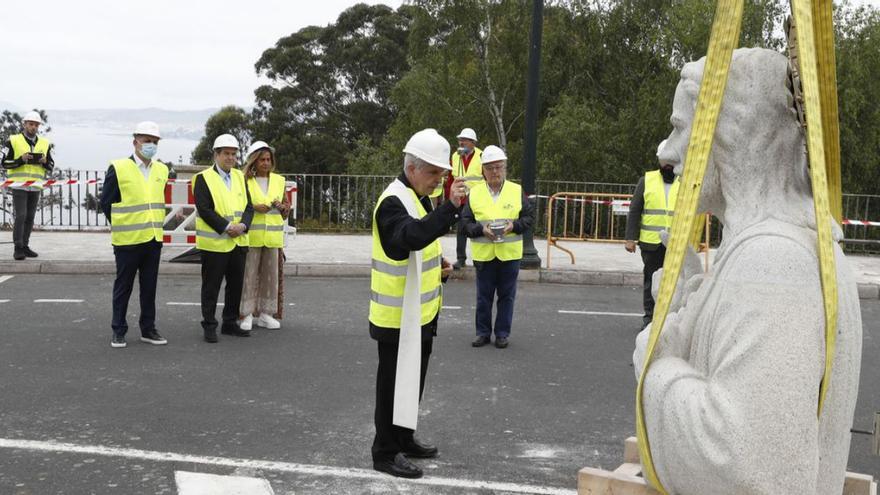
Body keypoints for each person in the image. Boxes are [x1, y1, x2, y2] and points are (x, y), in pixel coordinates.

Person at [632, 48, 861, 495]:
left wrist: (655, 365)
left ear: (723, 134)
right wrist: (691, 313)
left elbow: (743, 463)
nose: (667, 149)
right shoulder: (789, 247)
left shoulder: (772, 261)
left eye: (680, 128)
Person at [370, 128, 467, 479]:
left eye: (442, 175)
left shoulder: (417, 196)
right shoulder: (393, 200)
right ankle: (384, 451)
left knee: (413, 380)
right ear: (412, 168)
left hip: (419, 313)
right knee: (393, 385)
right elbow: (406, 238)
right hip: (396, 315)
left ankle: (405, 438)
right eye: (433, 174)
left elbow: (422, 239)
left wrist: (437, 265)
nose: (439, 182)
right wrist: (450, 210)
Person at [99, 121, 169, 348]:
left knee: (149, 288)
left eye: (154, 141)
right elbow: (106, 202)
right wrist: (120, 224)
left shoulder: (161, 170)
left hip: (152, 239)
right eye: (146, 140)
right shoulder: (119, 168)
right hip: (127, 240)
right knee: (124, 287)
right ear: (135, 142)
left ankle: (148, 329)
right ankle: (118, 330)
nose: (150, 145)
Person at [460, 145, 533, 349]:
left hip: (509, 254)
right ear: (483, 170)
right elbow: (465, 223)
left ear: (505, 168)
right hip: (484, 254)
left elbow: (529, 218)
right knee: (483, 296)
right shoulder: (474, 194)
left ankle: (502, 333)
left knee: (506, 296)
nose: (495, 172)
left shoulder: (516, 191)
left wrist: (514, 226)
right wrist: (481, 230)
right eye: (490, 168)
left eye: (499, 167)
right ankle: (482, 333)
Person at [193, 134, 254, 343]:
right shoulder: (203, 178)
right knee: (211, 286)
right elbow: (204, 209)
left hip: (238, 241)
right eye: (226, 154)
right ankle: (209, 325)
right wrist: (227, 227)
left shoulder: (239, 176)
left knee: (235, 286)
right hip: (215, 243)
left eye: (234, 154)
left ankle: (229, 323)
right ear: (216, 155)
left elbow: (248, 206)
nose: (230, 158)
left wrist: (244, 225)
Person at [624, 140, 678, 328]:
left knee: (673, 283)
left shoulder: (684, 181)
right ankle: (650, 319)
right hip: (651, 244)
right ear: (659, 161)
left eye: (671, 160)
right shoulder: (646, 180)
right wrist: (630, 238)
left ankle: (668, 319)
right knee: (651, 282)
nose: (668, 164)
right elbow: (635, 210)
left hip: (675, 244)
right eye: (665, 160)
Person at [239, 141, 290, 331]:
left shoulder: (279, 181)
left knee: (270, 278)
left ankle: (266, 314)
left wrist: (281, 206)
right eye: (262, 160)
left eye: (268, 159)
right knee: (249, 276)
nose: (266, 163)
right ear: (254, 161)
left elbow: (286, 211)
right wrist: (254, 207)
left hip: (273, 238)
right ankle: (247, 314)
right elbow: (240, 206)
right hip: (251, 237)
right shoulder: (244, 181)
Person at [1, 111, 54, 260]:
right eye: (31, 124)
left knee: (30, 217)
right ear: (24, 124)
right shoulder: (13, 140)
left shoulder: (44, 143)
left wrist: (44, 162)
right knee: (21, 216)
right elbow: (4, 163)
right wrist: (20, 159)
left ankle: (25, 246)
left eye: (36, 125)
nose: (33, 127)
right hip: (18, 185)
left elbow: (51, 165)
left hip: (35, 186)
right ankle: (18, 248)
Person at [444, 127, 482, 269]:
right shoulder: (455, 157)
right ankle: (461, 259)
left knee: (477, 229)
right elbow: (449, 180)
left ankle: (479, 259)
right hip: (460, 199)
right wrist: (450, 198)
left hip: (477, 200)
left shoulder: (481, 156)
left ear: (473, 142)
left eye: (464, 140)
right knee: (461, 229)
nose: (461, 143)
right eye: (460, 140)